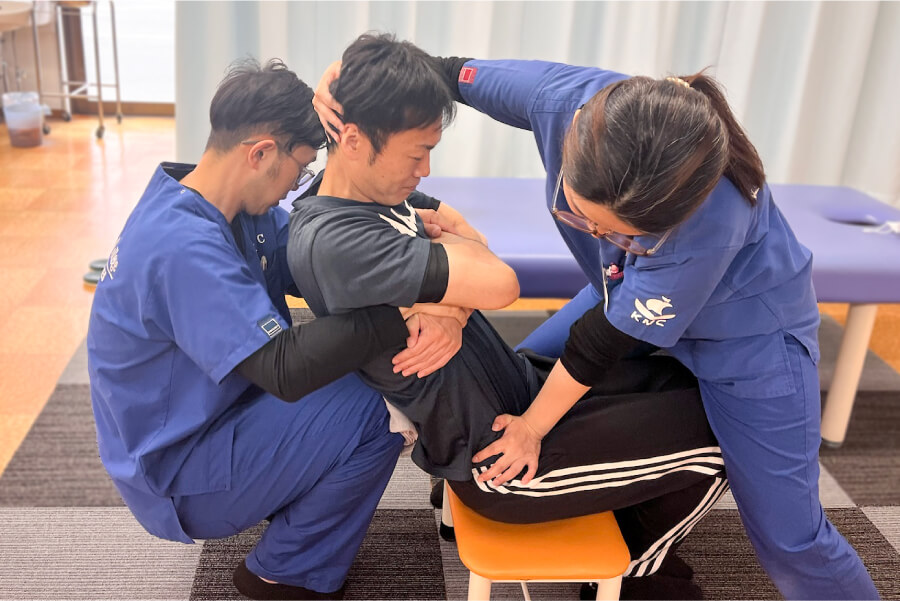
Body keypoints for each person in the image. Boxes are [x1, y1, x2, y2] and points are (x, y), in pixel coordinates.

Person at [314, 51, 880, 599]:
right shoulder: (566, 102)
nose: (592, 233)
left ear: (657, 232)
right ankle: (480, 501)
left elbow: (600, 342)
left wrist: (531, 428)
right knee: (524, 374)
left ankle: (639, 564)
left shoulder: (707, 220)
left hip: (750, 339)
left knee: (790, 535)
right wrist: (341, 80)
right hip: (619, 294)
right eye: (579, 216)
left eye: (619, 235)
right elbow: (434, 71)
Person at [295, 33, 728, 599]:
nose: (425, 171)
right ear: (352, 140)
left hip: (515, 394)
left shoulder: (381, 200)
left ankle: (615, 504)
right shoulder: (339, 239)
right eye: (415, 154)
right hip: (500, 463)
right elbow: (500, 281)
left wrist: (448, 310)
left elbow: (476, 245)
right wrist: (462, 277)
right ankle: (643, 577)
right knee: (720, 441)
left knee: (683, 381)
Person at [86, 58, 465, 601]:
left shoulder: (221, 202)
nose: (297, 186)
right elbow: (283, 369)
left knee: (357, 354)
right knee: (386, 396)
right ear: (261, 152)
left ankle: (286, 491)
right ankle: (286, 571)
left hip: (218, 418)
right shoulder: (182, 248)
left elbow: (313, 260)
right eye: (299, 168)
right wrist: (406, 313)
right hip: (180, 475)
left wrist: (395, 230)